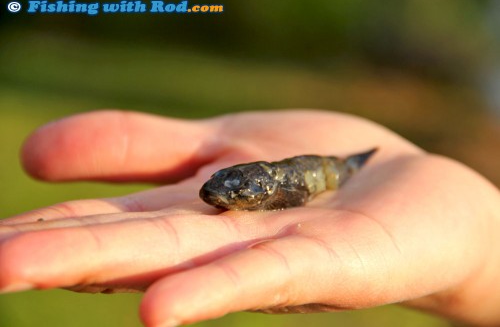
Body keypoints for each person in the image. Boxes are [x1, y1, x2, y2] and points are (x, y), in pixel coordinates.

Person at [0, 110, 499, 327]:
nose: (218, 196)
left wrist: (480, 245)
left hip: (316, 171)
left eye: (232, 190)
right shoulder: (241, 185)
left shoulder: (291, 182)